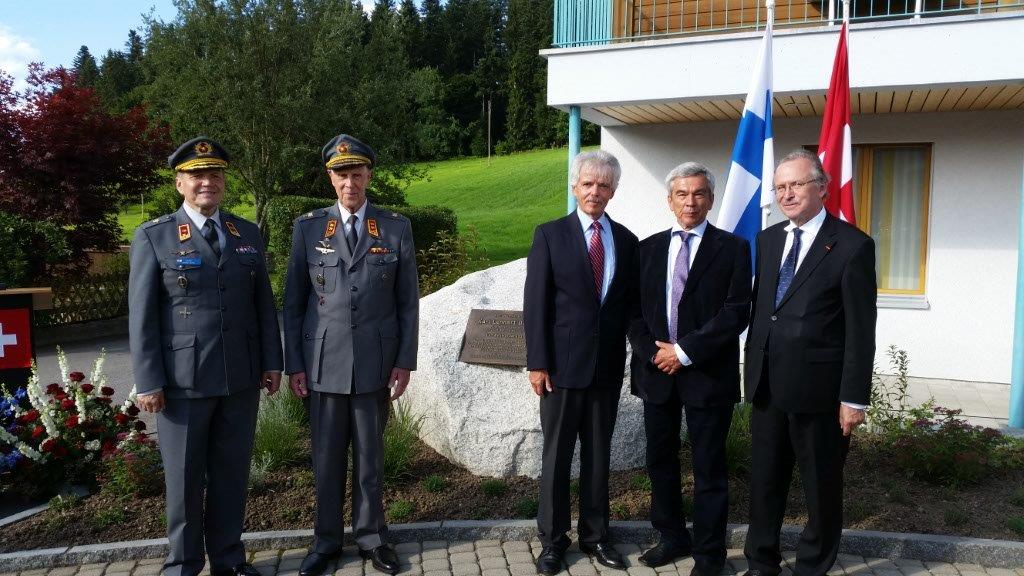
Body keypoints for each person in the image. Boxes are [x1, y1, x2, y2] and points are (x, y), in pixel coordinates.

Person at [129, 136, 283, 576]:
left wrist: (272, 362)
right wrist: (149, 381)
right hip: (183, 382)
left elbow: (262, 306)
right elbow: (142, 316)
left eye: (214, 174)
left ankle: (229, 559)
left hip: (240, 377)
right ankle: (183, 563)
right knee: (183, 479)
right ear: (179, 183)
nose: (206, 182)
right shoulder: (155, 235)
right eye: (196, 175)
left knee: (231, 474)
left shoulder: (245, 233)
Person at [283, 134, 419, 576]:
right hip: (323, 364)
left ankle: (372, 537)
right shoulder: (308, 228)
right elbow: (293, 303)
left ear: (368, 176)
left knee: (370, 459)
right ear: (330, 177)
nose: (350, 183)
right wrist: (294, 364)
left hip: (375, 364)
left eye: (356, 174)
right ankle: (325, 542)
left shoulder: (395, 227)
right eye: (341, 175)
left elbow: (407, 303)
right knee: (326, 460)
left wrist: (404, 361)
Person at [743, 149, 876, 576]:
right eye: (780, 187)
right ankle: (761, 562)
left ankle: (812, 567)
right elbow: (766, 312)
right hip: (767, 385)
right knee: (764, 482)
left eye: (796, 184)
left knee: (821, 487)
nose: (787, 194)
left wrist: (853, 398)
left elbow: (861, 329)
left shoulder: (853, 245)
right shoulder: (767, 240)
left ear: (822, 188)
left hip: (821, 394)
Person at [627, 162, 751, 576]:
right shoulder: (646, 249)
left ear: (711, 199)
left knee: (709, 468)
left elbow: (736, 311)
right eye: (682, 194)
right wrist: (654, 353)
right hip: (656, 374)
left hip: (707, 375)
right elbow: (633, 312)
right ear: (670, 200)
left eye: (699, 193)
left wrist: (683, 352)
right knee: (660, 462)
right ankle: (671, 536)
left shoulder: (733, 248)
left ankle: (710, 554)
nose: (690, 201)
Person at [524, 150, 639, 576]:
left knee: (598, 456)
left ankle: (595, 535)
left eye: (603, 184)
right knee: (556, 458)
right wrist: (538, 363)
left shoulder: (626, 240)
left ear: (613, 191)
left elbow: (628, 307)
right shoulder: (550, 235)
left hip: (605, 370)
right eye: (588, 183)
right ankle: (553, 541)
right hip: (559, 371)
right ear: (575, 187)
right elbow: (535, 304)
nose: (595, 191)